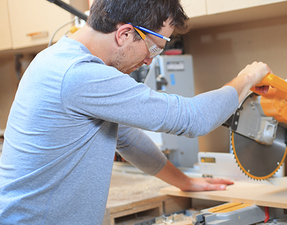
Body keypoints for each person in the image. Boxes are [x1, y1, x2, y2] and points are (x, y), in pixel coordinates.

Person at [0, 0, 272, 224]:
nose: (149, 60)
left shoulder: (59, 59)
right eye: (154, 48)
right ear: (125, 34)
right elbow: (193, 118)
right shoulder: (80, 74)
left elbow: (126, 138)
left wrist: (184, 182)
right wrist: (247, 78)